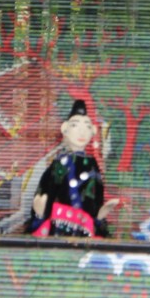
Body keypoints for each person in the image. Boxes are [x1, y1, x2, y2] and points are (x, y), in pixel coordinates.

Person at [27, 99, 120, 238]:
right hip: (59, 225)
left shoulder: (92, 164)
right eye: (75, 125)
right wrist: (40, 212)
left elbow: (97, 195)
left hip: (85, 227)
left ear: (93, 131)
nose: (82, 131)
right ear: (65, 128)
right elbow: (48, 190)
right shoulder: (59, 163)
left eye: (87, 126)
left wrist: (99, 216)